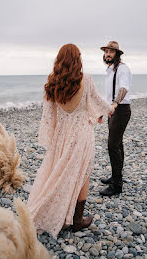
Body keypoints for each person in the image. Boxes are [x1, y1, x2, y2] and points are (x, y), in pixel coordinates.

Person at [27, 44, 115, 238]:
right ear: (77, 59)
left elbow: (49, 116)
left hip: (62, 135)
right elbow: (96, 102)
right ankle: (77, 220)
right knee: (82, 174)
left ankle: (53, 211)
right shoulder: (87, 79)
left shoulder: (51, 84)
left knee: (58, 173)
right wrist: (109, 109)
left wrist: (52, 138)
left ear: (59, 60)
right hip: (83, 134)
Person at [99, 41, 132, 196]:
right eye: (106, 51)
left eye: (111, 51)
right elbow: (108, 94)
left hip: (121, 109)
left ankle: (117, 185)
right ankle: (116, 176)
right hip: (113, 110)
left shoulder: (123, 68)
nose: (108, 54)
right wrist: (103, 109)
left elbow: (123, 88)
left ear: (117, 54)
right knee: (117, 144)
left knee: (113, 145)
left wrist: (115, 104)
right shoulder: (110, 70)